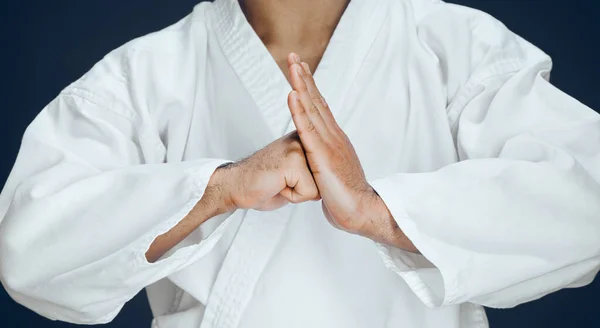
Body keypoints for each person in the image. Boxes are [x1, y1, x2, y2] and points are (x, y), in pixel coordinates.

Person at [0, 0, 599, 327]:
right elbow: (26, 250)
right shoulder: (148, 75)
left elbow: (586, 200)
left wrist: (377, 211)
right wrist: (219, 188)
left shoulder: (454, 47)